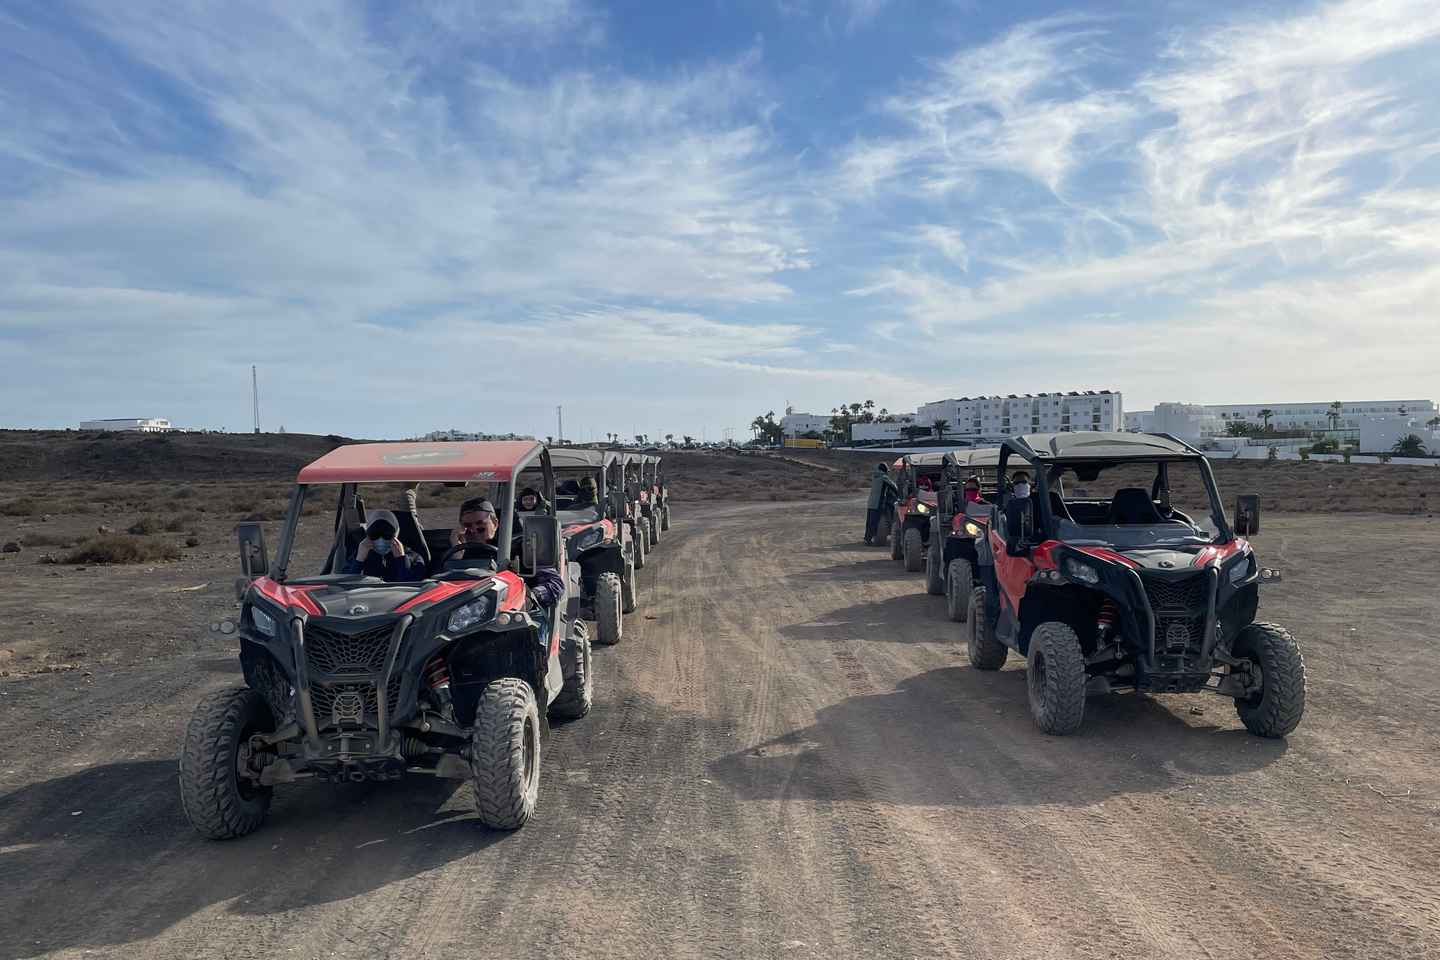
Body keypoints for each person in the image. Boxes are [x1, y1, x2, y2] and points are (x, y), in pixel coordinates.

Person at [345, 510, 425, 582]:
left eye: (387, 535)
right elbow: (345, 583)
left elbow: (412, 586)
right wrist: (359, 561)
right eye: (375, 534)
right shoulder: (360, 554)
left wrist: (401, 560)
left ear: (395, 535)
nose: (380, 540)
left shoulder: (414, 558)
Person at [864, 462, 899, 546]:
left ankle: (867, 538)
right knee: (875, 521)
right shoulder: (883, 477)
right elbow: (893, 486)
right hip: (878, 503)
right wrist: (899, 494)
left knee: (869, 521)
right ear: (885, 470)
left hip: (871, 503)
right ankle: (870, 540)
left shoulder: (875, 476)